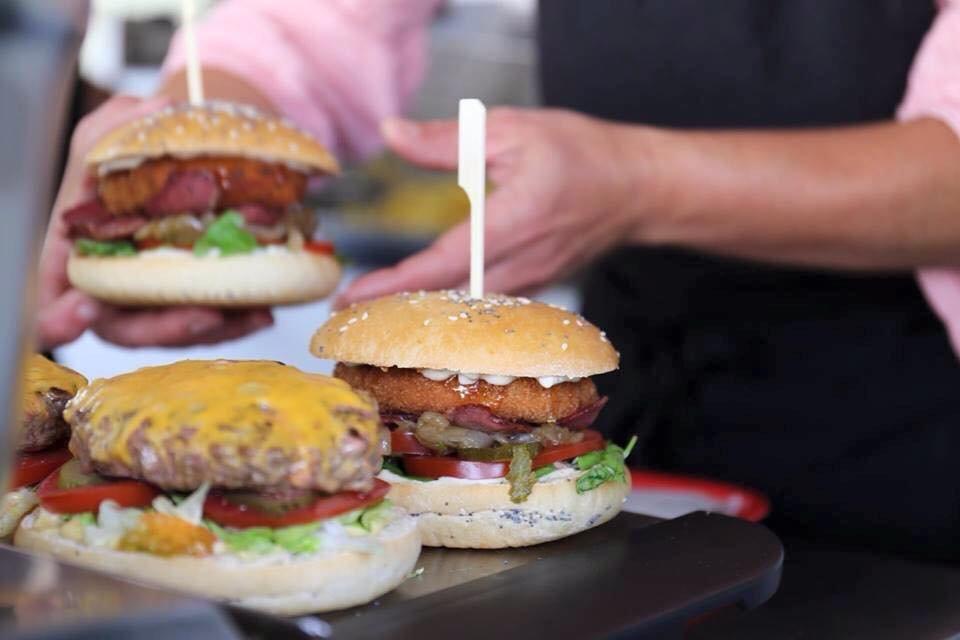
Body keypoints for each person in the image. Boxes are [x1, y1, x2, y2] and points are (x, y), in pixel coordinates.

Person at [40, 0, 960, 557]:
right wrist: (193, 140)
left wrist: (639, 186)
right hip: (641, 393)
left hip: (915, 448)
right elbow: (311, 25)